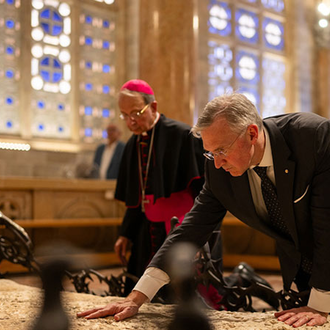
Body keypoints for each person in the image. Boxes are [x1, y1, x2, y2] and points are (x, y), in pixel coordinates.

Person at [77, 92, 330, 327]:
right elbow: (191, 228)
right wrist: (136, 297)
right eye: (210, 154)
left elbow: (326, 224)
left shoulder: (312, 137)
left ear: (252, 134)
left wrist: (321, 304)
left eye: (221, 151)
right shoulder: (219, 167)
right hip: (297, 267)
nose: (217, 163)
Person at [111, 79, 205, 294]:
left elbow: (203, 192)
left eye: (135, 113)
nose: (130, 122)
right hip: (147, 230)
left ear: (153, 107)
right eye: (124, 115)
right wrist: (125, 233)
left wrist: (202, 234)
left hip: (181, 228)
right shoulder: (131, 146)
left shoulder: (183, 136)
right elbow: (135, 199)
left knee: (183, 293)